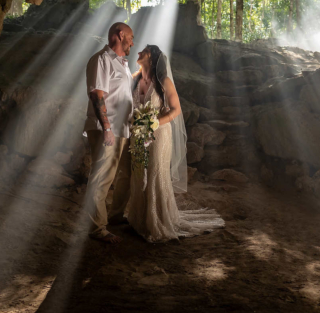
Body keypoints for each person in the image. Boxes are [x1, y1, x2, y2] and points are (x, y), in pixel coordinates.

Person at [124, 45, 225, 242]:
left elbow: (176, 109)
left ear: (152, 58)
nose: (138, 53)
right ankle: (139, 219)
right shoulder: (134, 79)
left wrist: (154, 123)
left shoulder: (164, 82)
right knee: (138, 173)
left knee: (155, 173)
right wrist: (135, 122)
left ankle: (157, 220)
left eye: (143, 51)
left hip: (159, 134)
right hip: (138, 134)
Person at [83, 22, 134, 244]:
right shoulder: (101, 60)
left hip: (123, 128)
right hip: (108, 128)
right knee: (102, 178)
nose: (133, 41)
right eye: (131, 37)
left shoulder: (122, 63)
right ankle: (96, 228)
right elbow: (97, 95)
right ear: (120, 35)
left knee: (125, 175)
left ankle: (115, 215)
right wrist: (107, 129)